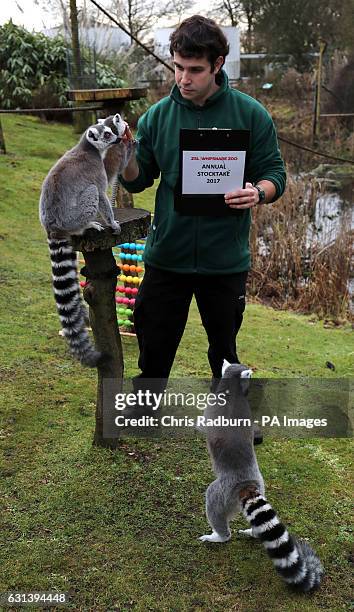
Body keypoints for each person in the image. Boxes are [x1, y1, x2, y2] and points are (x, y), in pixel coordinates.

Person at [119, 15, 286, 410]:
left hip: (223, 259)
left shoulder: (250, 114)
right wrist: (123, 156)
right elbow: (138, 179)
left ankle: (231, 414)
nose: (183, 78)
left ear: (217, 65)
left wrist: (258, 193)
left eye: (195, 70)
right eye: (178, 67)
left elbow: (274, 173)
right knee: (154, 341)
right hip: (168, 255)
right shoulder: (158, 116)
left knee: (224, 350)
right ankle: (144, 407)